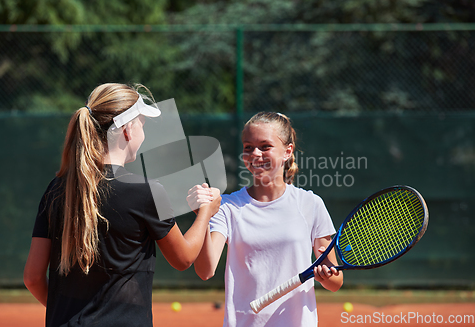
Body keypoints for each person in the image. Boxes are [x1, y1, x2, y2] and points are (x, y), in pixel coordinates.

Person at [23, 82, 220, 327]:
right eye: (142, 125)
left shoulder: (56, 188)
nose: (143, 133)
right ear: (127, 130)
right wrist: (205, 212)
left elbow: (32, 278)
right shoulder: (147, 191)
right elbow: (183, 258)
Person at [188, 112, 343, 327]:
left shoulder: (310, 204)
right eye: (248, 147)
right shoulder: (228, 207)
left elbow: (335, 282)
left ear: (287, 151)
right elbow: (205, 271)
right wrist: (203, 216)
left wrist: (325, 276)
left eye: (265, 146)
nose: (255, 154)